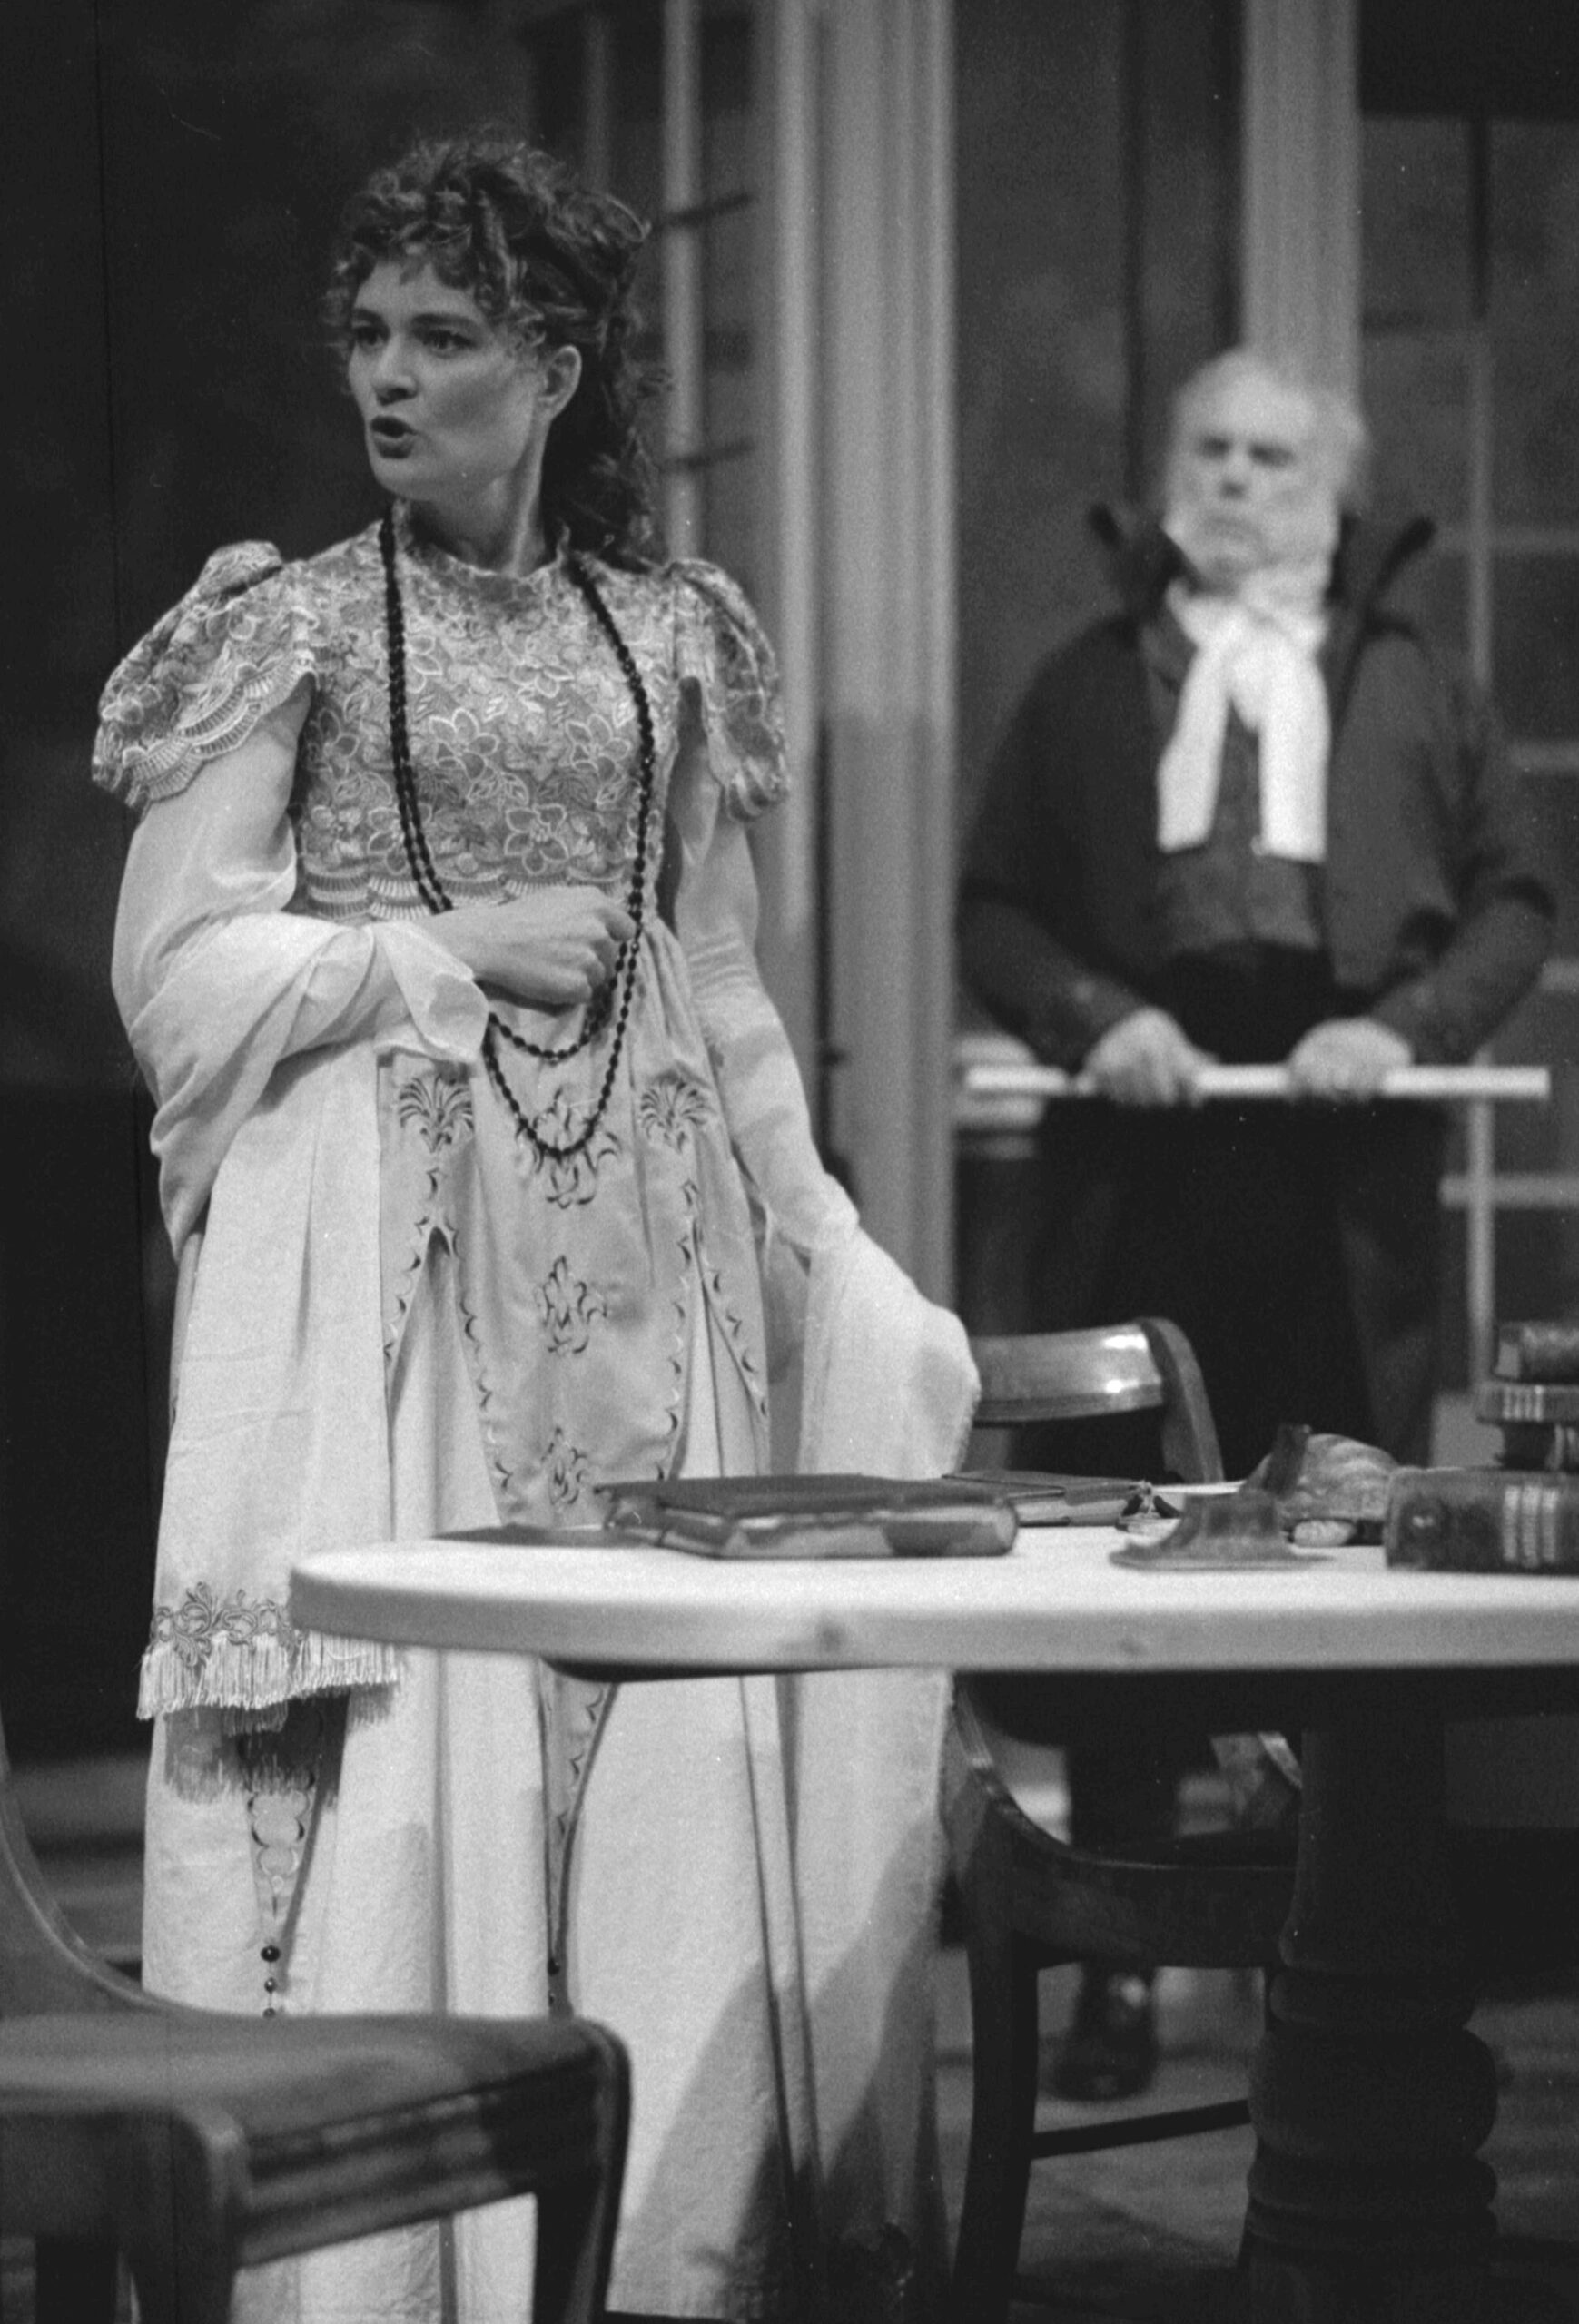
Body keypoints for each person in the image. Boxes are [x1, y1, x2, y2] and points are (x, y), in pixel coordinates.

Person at [94, 132, 974, 2324]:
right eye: (368, 335)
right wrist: (442, 944)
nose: (386, 378)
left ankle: (659, 2250)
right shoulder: (292, 625)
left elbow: (724, 973)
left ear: (558, 364)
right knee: (434, 1741)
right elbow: (175, 977)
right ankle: (400, 2266)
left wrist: (820, 1231)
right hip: (401, 1272)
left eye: (443, 336)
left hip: (650, 1256)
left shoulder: (670, 635)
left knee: (657, 1736)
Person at [958, 346, 1554, 2099]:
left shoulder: (1421, 686)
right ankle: (1114, 1960)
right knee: (1121, 1526)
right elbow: (994, 907)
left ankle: (1331, 1946)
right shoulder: (1086, 687)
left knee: (1337, 1527)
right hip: (1140, 1155)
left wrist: (1408, 1026)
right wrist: (1092, 1016)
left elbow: (1517, 900)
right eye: (1208, 450)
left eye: (1271, 456)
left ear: (1333, 491)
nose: (1233, 478)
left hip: (1339, 1168)